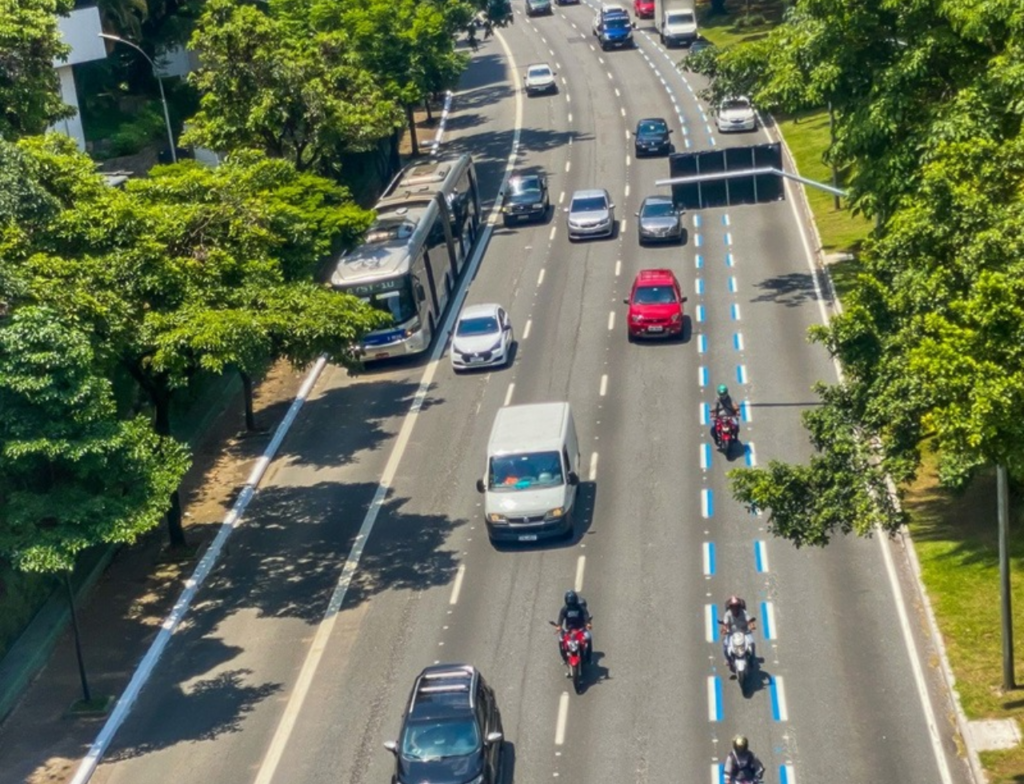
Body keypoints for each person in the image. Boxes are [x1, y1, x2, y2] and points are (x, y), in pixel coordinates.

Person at [718, 595, 756, 671]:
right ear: (730, 607)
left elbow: (749, 621)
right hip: (732, 634)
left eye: (736, 606)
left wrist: (751, 626)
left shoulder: (744, 612)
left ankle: (752, 659)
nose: (735, 608)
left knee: (752, 644)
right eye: (733, 606)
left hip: (744, 632)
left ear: (739, 606)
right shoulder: (728, 614)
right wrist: (724, 629)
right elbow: (725, 624)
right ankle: (728, 660)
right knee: (725, 646)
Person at [556, 590, 593, 664]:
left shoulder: (581, 608)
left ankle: (588, 658)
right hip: (568, 629)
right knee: (561, 640)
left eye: (572, 601)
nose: (571, 603)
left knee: (588, 637)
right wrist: (559, 625)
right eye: (570, 601)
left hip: (580, 628)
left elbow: (586, 615)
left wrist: (587, 623)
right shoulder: (565, 609)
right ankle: (564, 658)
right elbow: (561, 617)